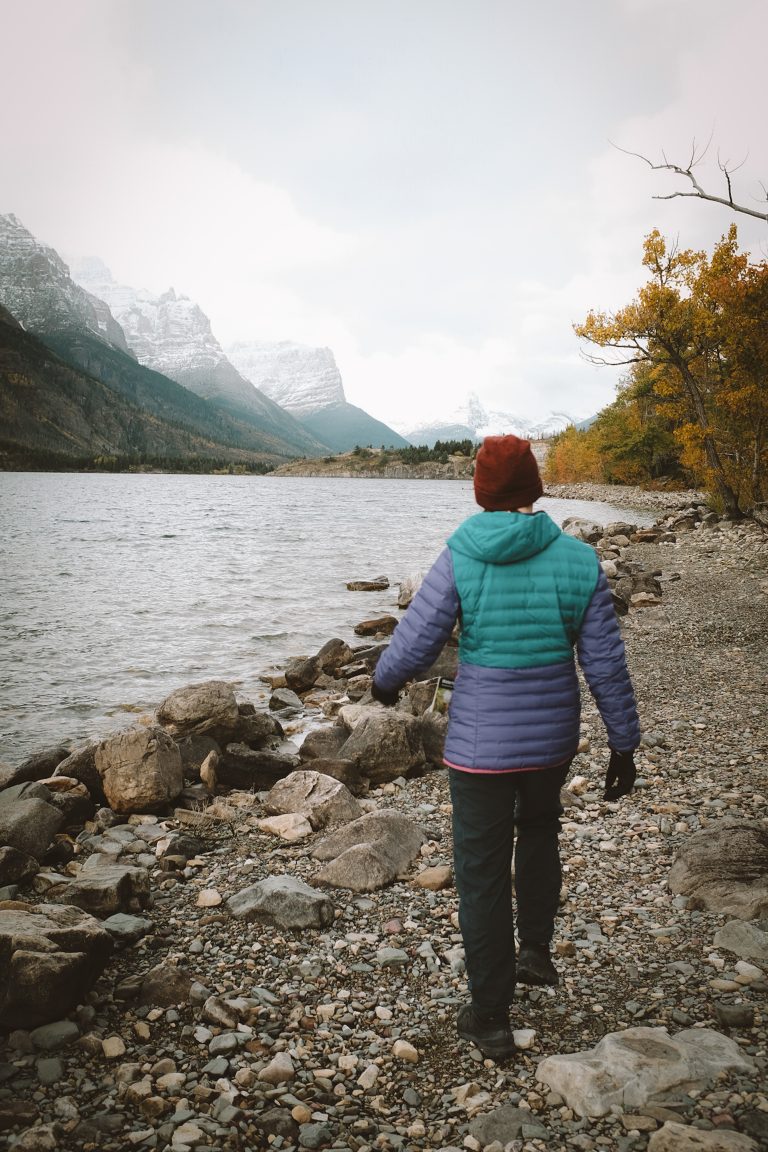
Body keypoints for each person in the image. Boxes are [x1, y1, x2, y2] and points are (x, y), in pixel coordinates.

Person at [371, 434, 640, 1060]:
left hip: (478, 748)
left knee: (481, 872)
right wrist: (622, 744)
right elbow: (605, 665)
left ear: (481, 490)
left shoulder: (461, 555)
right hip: (551, 740)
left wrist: (383, 685)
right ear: (536, 486)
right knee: (541, 831)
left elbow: (415, 643)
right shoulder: (578, 561)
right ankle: (537, 957)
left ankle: (490, 1015)